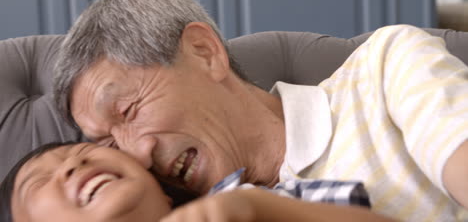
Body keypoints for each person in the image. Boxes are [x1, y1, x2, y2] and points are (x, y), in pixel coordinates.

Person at [53, 0, 468, 221]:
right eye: (109, 144)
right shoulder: (177, 210)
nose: (138, 157)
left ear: (203, 52)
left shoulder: (384, 68)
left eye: (128, 111)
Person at [0, 142, 395, 222]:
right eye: (39, 183)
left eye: (82, 152)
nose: (73, 165)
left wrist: (255, 208)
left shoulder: (238, 202)